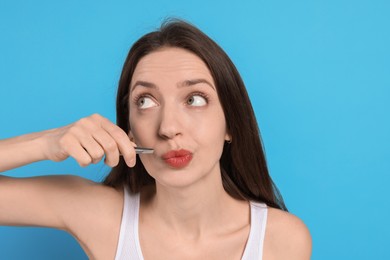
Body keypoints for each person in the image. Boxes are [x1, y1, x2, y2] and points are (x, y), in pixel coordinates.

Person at [0, 19, 311, 259]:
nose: (168, 128)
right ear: (130, 129)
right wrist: (46, 142)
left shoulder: (282, 239)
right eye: (146, 102)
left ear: (230, 123)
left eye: (194, 99)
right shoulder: (101, 216)